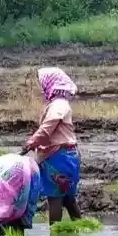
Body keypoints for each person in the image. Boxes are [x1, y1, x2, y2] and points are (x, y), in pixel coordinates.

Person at [23, 67, 82, 224]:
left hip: (59, 158)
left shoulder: (58, 105)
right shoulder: (58, 103)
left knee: (55, 198)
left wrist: (30, 143)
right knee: (68, 198)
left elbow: (46, 129)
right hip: (66, 155)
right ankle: (83, 229)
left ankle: (55, 235)